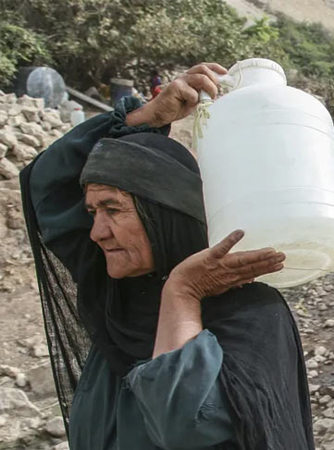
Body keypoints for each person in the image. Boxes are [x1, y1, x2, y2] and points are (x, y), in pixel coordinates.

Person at [20, 63, 314, 449]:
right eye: (92, 212)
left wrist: (182, 294)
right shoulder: (115, 293)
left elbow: (185, 425)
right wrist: (143, 118)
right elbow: (46, 183)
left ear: (163, 214)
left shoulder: (250, 313)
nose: (96, 232)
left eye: (113, 209)